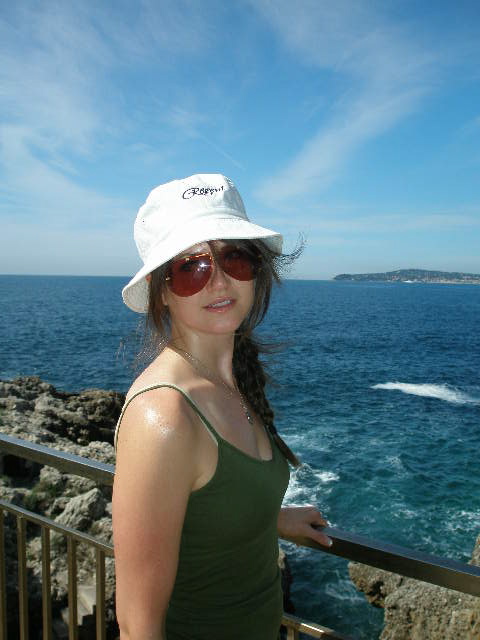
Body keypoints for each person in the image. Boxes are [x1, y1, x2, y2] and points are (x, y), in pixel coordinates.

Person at [112, 173, 332, 640]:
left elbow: (207, 510)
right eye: (191, 267)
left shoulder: (231, 382)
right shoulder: (164, 416)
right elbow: (137, 626)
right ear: (161, 288)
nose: (219, 280)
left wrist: (272, 519)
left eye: (234, 257)